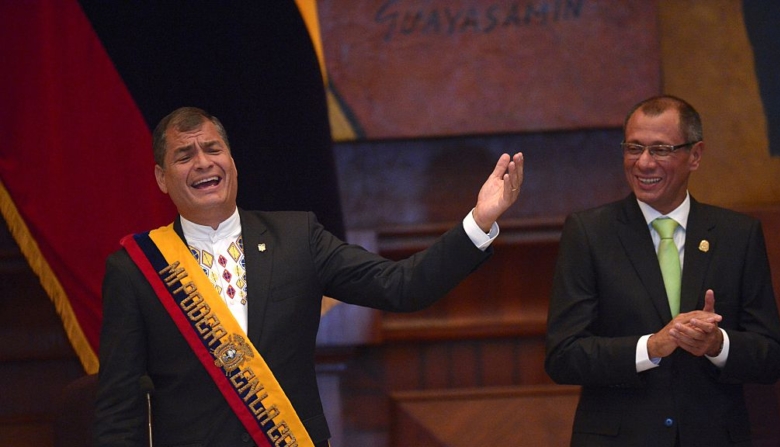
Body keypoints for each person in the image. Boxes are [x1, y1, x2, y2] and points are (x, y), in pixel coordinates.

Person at [93, 106, 524, 446]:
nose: (203, 163)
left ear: (232, 161)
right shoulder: (136, 269)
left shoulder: (297, 237)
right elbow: (119, 405)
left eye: (212, 149)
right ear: (161, 178)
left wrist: (479, 222)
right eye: (184, 156)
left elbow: (402, 286)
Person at [544, 95, 780, 446]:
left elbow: (771, 357)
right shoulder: (590, 233)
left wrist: (717, 344)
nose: (643, 163)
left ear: (696, 155)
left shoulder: (738, 236)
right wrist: (652, 347)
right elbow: (563, 356)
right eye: (633, 148)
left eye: (660, 149)